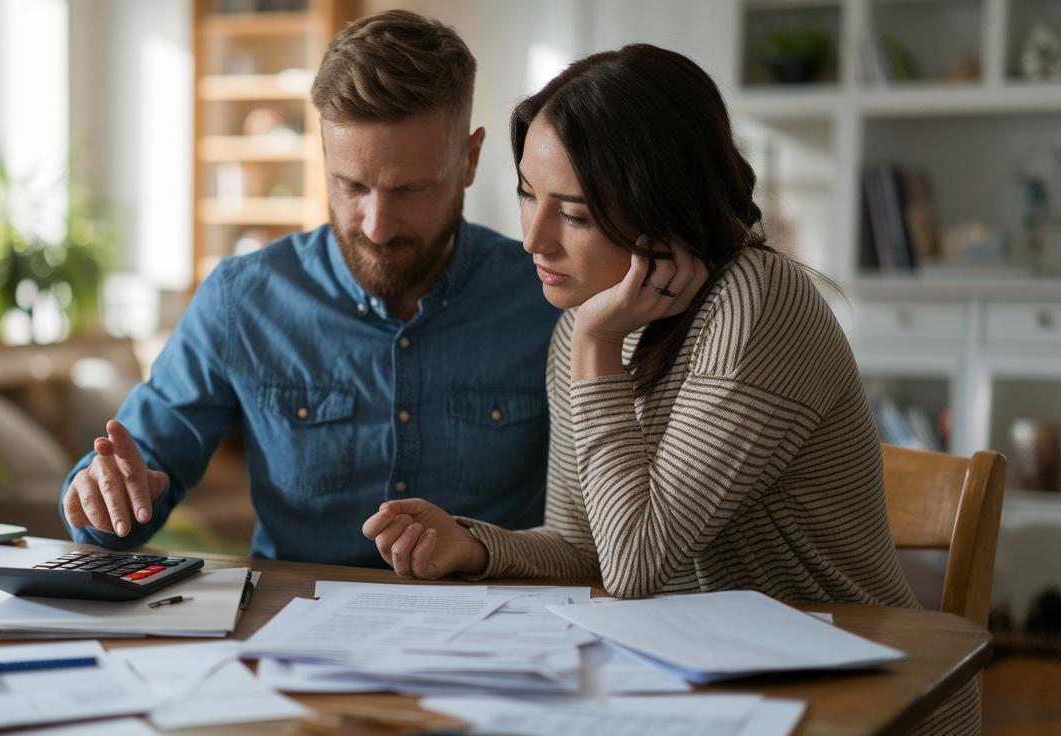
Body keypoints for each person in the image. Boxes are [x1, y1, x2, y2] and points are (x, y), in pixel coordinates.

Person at [361, 44, 977, 734]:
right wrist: (478, 548)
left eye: (576, 214)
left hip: (862, 698)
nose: (532, 238)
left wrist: (595, 347)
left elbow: (634, 564)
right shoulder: (590, 320)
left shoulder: (755, 303)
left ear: (664, 211)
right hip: (713, 688)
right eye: (528, 195)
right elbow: (586, 544)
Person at [60, 10, 560, 567]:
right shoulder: (240, 299)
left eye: (412, 189)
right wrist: (108, 499)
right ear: (323, 156)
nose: (377, 225)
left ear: (468, 160)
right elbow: (136, 468)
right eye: (351, 185)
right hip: (286, 631)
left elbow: (590, 534)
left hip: (502, 631)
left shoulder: (547, 299)